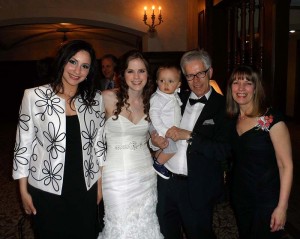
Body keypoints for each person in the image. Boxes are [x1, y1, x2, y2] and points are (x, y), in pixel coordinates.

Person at [12, 39, 106, 239]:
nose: (77, 70)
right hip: (46, 187)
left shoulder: (95, 99)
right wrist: (23, 190)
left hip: (84, 186)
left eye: (84, 66)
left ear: (90, 71)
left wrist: (100, 185)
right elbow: (23, 145)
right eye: (72, 62)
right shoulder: (34, 96)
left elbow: (99, 145)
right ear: (62, 61)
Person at [151, 49, 232, 239]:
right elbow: (157, 124)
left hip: (196, 187)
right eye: (189, 76)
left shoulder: (224, 106)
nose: (195, 80)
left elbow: (224, 150)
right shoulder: (176, 98)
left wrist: (189, 136)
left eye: (200, 74)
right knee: (166, 232)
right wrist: (154, 141)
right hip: (166, 183)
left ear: (210, 72)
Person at [97, 50, 163, 239]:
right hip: (115, 176)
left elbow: (155, 138)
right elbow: (94, 141)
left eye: (141, 71)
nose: (136, 77)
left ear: (148, 74)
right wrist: (98, 180)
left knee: (145, 225)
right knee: (120, 229)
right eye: (130, 71)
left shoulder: (153, 102)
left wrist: (158, 142)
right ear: (121, 74)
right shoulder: (106, 97)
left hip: (146, 174)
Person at [226, 65, 293, 239]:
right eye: (236, 82)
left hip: (266, 198)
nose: (241, 88)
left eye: (248, 83)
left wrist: (282, 207)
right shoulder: (232, 119)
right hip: (240, 194)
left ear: (255, 88)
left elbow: (286, 165)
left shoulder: (271, 119)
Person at [150, 64, 182, 179]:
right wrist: (163, 131)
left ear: (178, 84)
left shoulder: (173, 96)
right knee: (172, 148)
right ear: (157, 82)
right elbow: (154, 115)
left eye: (170, 81)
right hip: (159, 127)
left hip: (168, 129)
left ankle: (157, 160)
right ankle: (158, 164)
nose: (166, 84)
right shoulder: (157, 97)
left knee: (164, 148)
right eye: (162, 80)